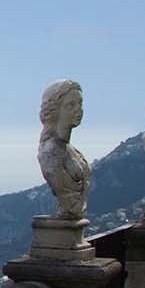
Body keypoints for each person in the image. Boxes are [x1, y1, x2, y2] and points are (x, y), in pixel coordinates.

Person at [37, 79, 90, 220]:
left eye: (80, 103)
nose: (78, 109)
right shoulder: (50, 152)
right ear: (54, 110)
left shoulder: (71, 150)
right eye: (71, 105)